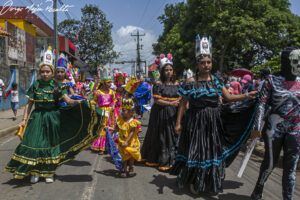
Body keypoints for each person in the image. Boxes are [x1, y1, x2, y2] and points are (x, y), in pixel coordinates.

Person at [4, 47, 106, 183]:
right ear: (40, 73)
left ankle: (48, 172)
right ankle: (35, 171)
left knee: (51, 145)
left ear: (51, 73)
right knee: (35, 144)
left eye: (47, 72)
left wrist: (81, 102)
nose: (45, 74)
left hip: (53, 118)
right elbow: (29, 104)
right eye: (43, 72)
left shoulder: (58, 87)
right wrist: (24, 120)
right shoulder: (35, 85)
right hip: (37, 118)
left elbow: (68, 100)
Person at [170, 34, 257, 194]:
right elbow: (182, 103)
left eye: (208, 62)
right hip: (195, 121)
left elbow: (229, 97)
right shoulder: (190, 82)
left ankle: (207, 180)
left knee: (210, 151)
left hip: (213, 122)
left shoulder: (216, 81)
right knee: (195, 150)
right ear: (197, 64)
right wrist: (178, 122)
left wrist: (247, 96)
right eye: (203, 63)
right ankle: (195, 180)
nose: (206, 65)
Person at [250, 47, 300, 200]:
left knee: (290, 169)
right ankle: (259, 187)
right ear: (286, 62)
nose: (298, 65)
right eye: (295, 61)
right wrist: (257, 126)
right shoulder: (271, 80)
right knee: (269, 164)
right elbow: (261, 104)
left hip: (295, 130)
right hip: (274, 130)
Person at [141, 54, 181, 171]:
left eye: (170, 70)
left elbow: (180, 97)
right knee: (162, 135)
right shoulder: (158, 84)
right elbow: (157, 100)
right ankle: (161, 160)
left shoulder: (177, 84)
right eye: (166, 70)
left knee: (174, 135)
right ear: (162, 71)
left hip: (174, 113)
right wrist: (171, 103)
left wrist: (178, 103)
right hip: (161, 113)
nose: (169, 72)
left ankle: (174, 160)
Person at [91, 67, 116, 154]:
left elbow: (114, 101)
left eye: (110, 82)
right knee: (101, 128)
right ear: (104, 83)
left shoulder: (112, 92)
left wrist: (113, 106)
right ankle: (101, 147)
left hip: (109, 112)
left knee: (110, 128)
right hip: (101, 112)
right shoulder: (98, 92)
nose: (110, 84)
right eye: (108, 82)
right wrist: (93, 108)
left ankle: (109, 146)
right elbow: (94, 101)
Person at [116, 98, 141, 178]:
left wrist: (127, 141)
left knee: (130, 157)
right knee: (124, 157)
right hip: (121, 141)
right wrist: (111, 130)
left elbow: (132, 132)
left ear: (130, 112)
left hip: (131, 141)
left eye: (125, 110)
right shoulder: (120, 119)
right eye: (122, 110)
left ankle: (131, 168)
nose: (123, 112)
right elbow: (117, 128)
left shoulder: (132, 121)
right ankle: (124, 170)